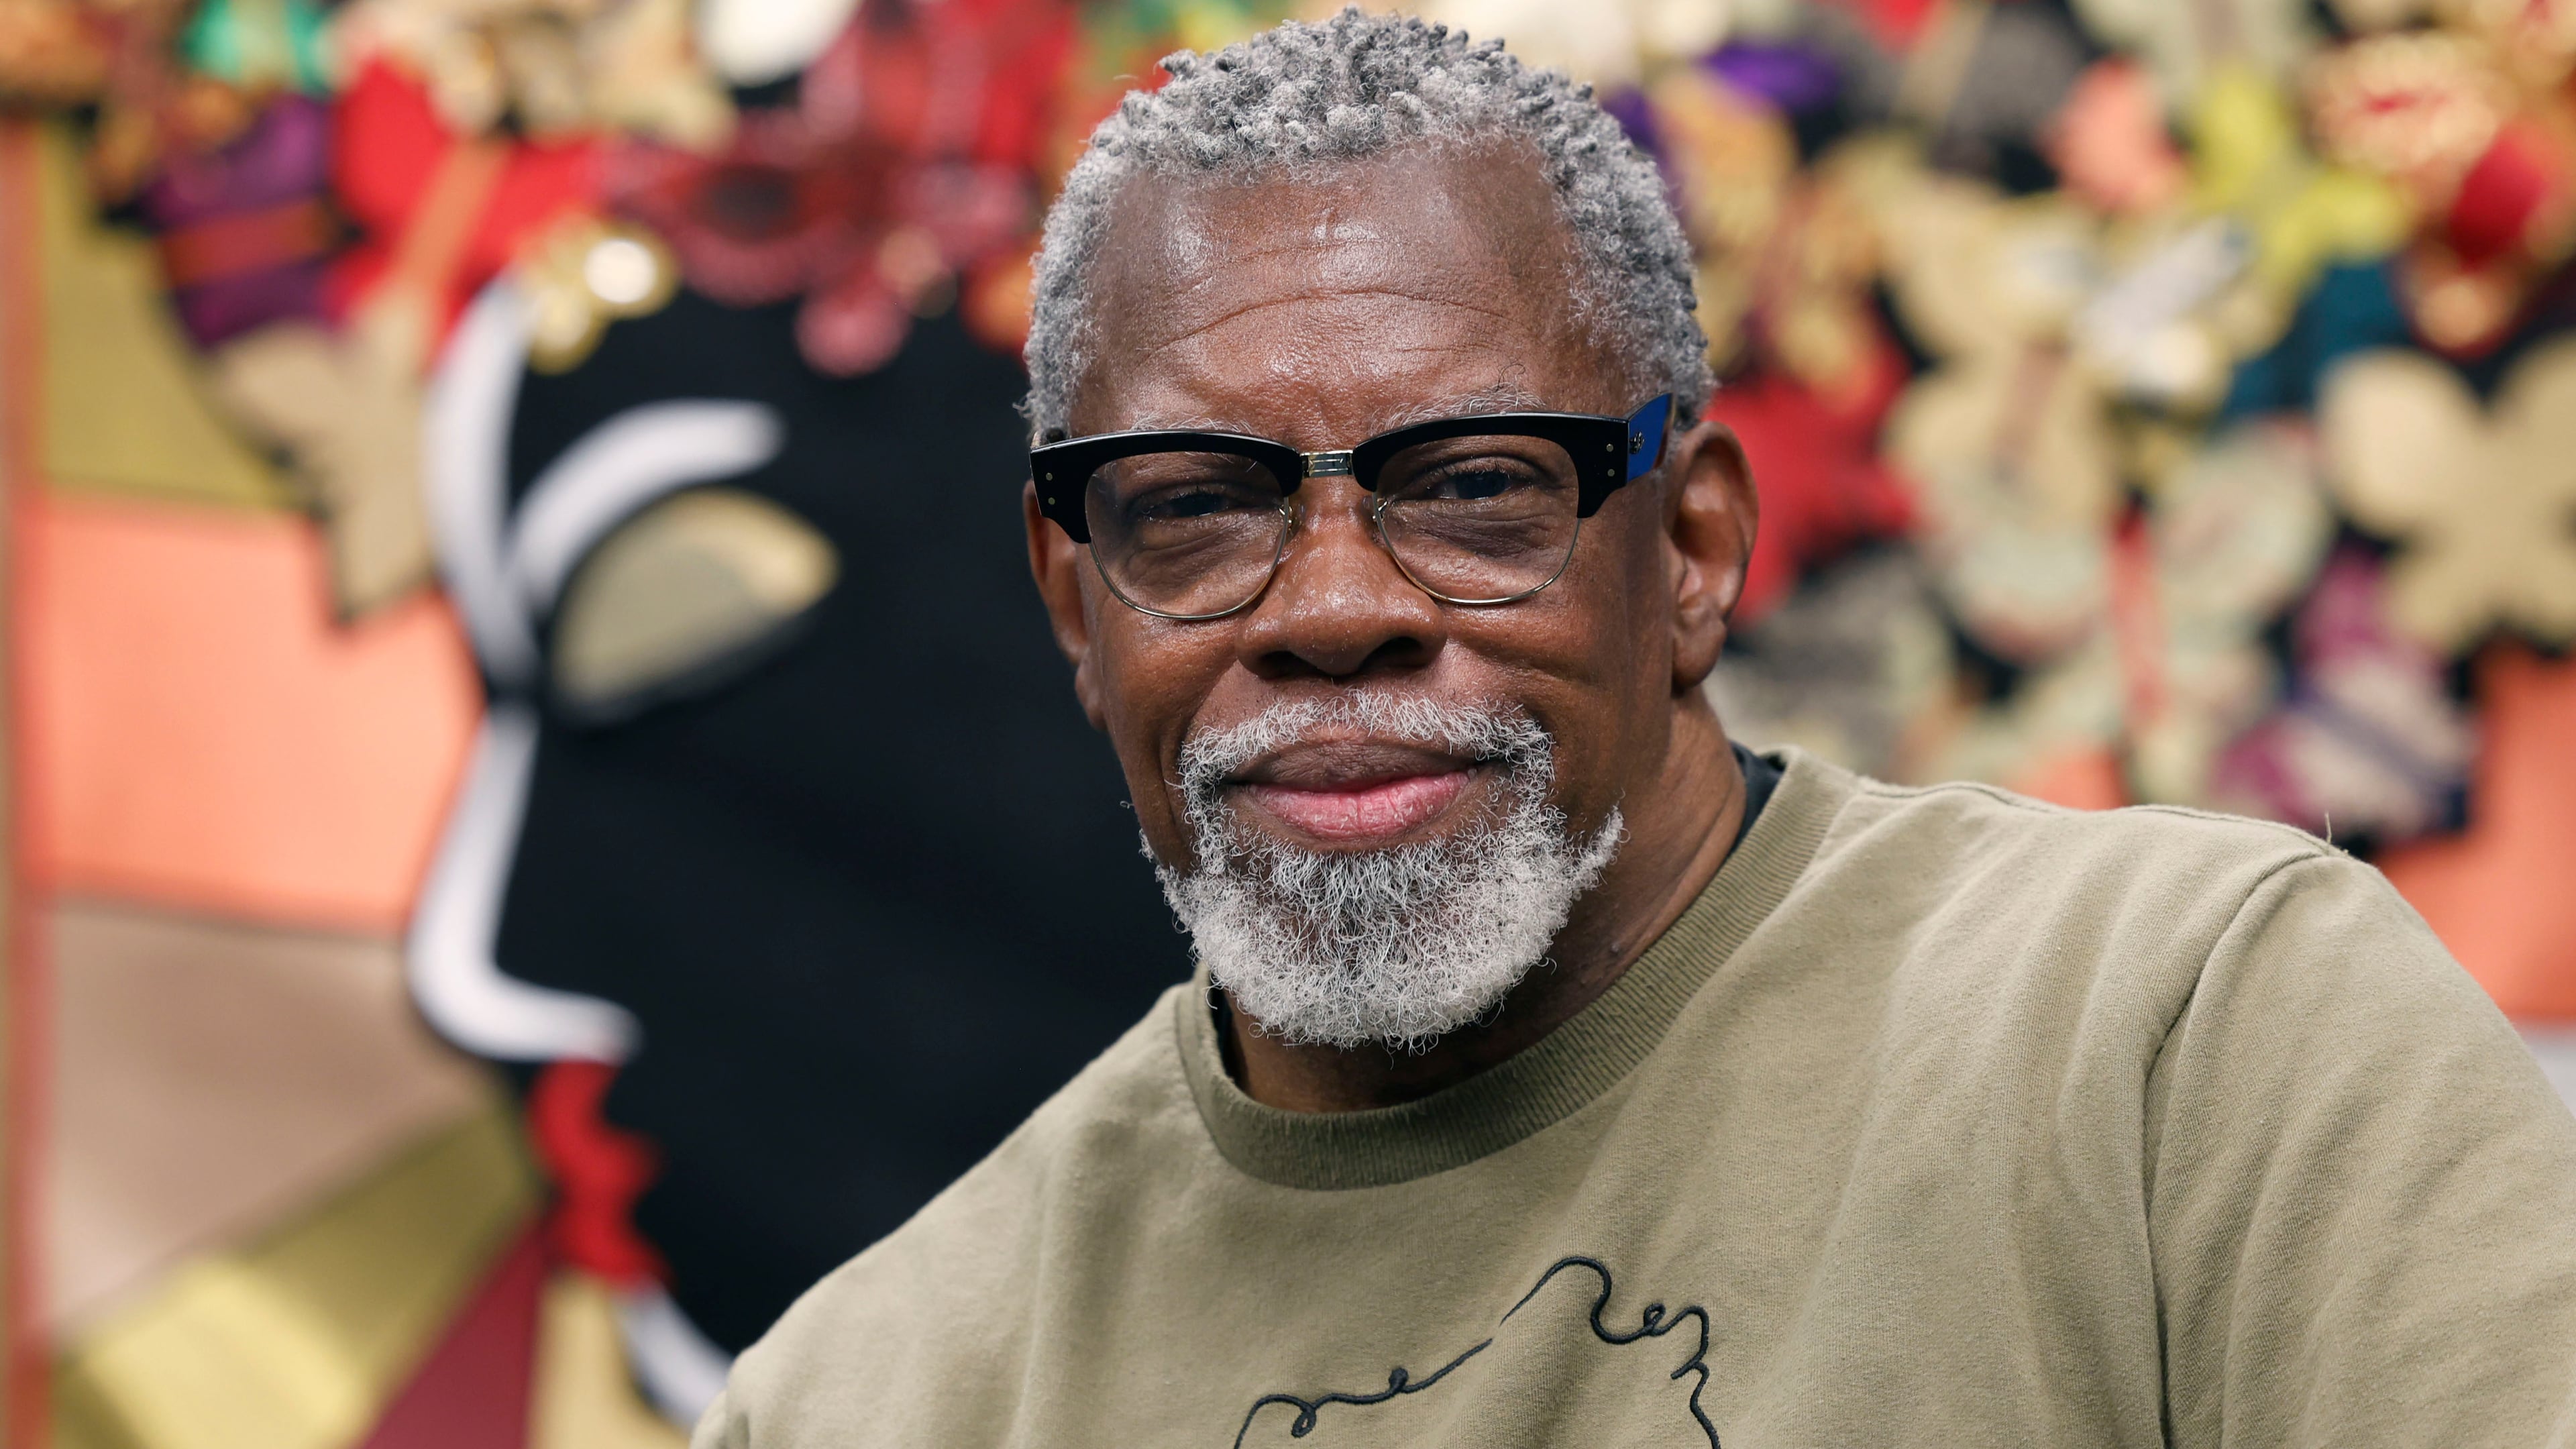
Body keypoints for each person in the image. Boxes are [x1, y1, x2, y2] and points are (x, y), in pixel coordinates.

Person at [692, 12, 2576, 1446]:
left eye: (1475, 490)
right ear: (1070, 599)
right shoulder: (878, 1399)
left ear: (1691, 551)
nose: (1338, 610)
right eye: (1195, 506)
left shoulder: (2187, 1040)